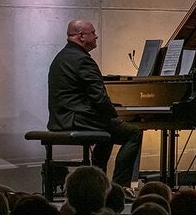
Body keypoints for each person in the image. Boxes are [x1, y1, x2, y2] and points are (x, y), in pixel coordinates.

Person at [47, 19, 142, 187]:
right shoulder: (82, 60)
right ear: (81, 36)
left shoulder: (61, 57)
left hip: (61, 118)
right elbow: (99, 97)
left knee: (107, 131)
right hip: (78, 118)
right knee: (133, 134)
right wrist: (114, 114)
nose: (96, 36)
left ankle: (99, 183)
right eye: (93, 33)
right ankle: (120, 187)